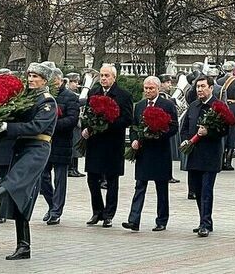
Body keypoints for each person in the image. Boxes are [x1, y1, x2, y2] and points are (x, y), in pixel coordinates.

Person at [0, 62, 58, 260]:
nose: (31, 79)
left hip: (38, 148)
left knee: (15, 179)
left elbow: (37, 126)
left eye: (36, 77)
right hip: (21, 148)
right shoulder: (26, 98)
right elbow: (14, 117)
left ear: (44, 80)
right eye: (29, 76)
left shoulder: (47, 101)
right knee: (22, 197)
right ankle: (24, 246)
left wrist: (7, 128)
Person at [122, 76, 178, 232]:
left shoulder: (167, 105)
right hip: (144, 152)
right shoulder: (139, 106)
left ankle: (161, 220)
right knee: (140, 185)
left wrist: (158, 133)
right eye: (146, 88)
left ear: (158, 89)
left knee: (161, 187)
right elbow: (134, 126)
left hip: (160, 151)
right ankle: (133, 220)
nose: (148, 91)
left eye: (151, 88)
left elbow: (174, 127)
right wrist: (134, 140)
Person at [83, 64, 133, 228]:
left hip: (112, 143)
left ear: (114, 77)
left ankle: (109, 214)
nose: (103, 78)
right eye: (102, 75)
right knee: (92, 178)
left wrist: (106, 124)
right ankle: (97, 211)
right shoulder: (94, 92)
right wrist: (88, 127)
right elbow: (87, 114)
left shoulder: (123, 95)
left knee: (112, 180)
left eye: (107, 76)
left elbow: (127, 119)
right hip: (95, 142)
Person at [180, 75, 227, 237]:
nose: (199, 90)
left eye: (202, 86)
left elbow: (225, 129)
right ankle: (204, 219)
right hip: (194, 155)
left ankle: (205, 223)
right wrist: (186, 140)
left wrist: (210, 132)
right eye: (197, 87)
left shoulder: (218, 106)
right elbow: (185, 127)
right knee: (197, 190)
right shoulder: (193, 105)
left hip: (210, 156)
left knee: (207, 190)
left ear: (211, 88)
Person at [40, 68, 79, 225]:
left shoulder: (70, 97)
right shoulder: (44, 96)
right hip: (44, 142)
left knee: (60, 179)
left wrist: (52, 124)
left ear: (59, 80)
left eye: (52, 80)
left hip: (62, 142)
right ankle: (51, 205)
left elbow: (72, 120)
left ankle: (56, 211)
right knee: (43, 177)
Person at [217, 61, 235, 171]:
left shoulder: (218, 81)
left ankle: (220, 160)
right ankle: (228, 162)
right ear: (234, 69)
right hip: (232, 108)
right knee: (232, 134)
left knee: (223, 134)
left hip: (221, 108)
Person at [64, 72, 86, 178]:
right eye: (74, 82)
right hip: (72, 124)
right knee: (73, 146)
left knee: (76, 146)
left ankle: (75, 168)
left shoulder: (76, 94)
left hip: (78, 123)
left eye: (77, 82)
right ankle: (70, 168)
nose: (77, 84)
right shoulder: (68, 94)